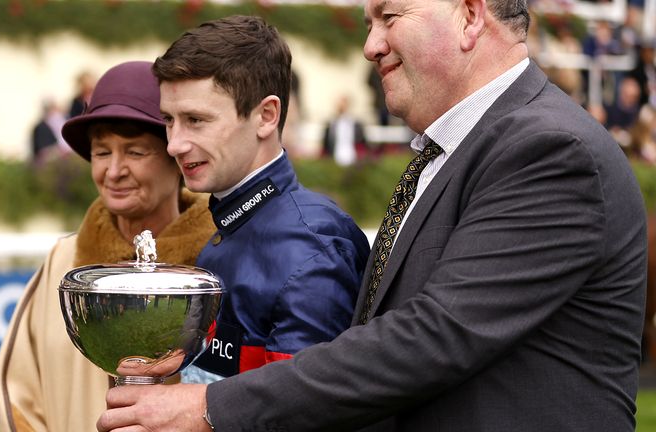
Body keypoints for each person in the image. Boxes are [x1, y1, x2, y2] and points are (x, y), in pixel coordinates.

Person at [97, 1, 647, 431]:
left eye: (388, 16)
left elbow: (431, 338)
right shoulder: (457, 149)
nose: (369, 45)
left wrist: (209, 407)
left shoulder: (549, 148)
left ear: (471, 16)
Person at [0, 61, 216, 432]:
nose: (113, 171)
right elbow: (19, 396)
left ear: (178, 157)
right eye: (101, 152)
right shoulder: (63, 261)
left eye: (135, 152)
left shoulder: (218, 262)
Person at [151, 15, 370, 385]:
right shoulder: (231, 225)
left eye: (195, 120)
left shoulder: (310, 247)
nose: (174, 144)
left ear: (266, 116)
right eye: (169, 120)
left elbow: (303, 411)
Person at [322, 94, 368, 166]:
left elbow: (363, 143)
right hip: (335, 160)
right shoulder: (331, 124)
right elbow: (326, 144)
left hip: (353, 159)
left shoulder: (355, 124)